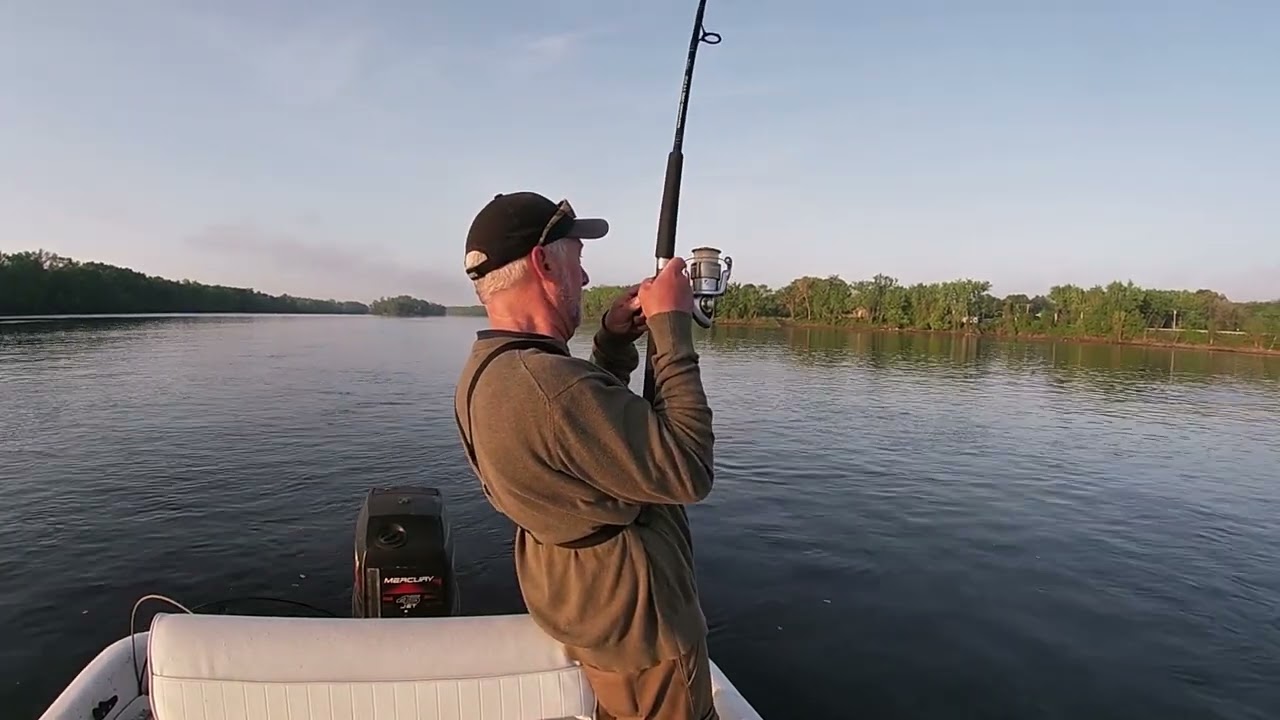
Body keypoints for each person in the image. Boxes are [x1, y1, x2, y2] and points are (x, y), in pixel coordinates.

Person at [453, 190, 718, 720]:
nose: (586, 277)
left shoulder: (491, 369)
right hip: (641, 635)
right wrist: (671, 327)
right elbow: (688, 468)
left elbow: (581, 443)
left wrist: (612, 345)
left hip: (589, 609)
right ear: (544, 263)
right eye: (577, 259)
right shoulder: (549, 386)